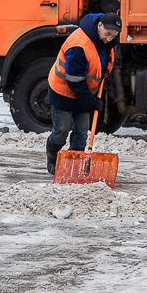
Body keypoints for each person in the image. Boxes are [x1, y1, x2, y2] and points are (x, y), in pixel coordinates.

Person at [45, 12, 121, 174]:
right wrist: (91, 102)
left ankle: (74, 165)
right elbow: (74, 79)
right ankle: (52, 155)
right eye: (107, 34)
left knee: (81, 133)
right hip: (63, 92)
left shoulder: (108, 43)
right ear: (99, 25)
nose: (109, 39)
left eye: (113, 36)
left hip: (85, 93)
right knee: (61, 130)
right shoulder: (79, 45)